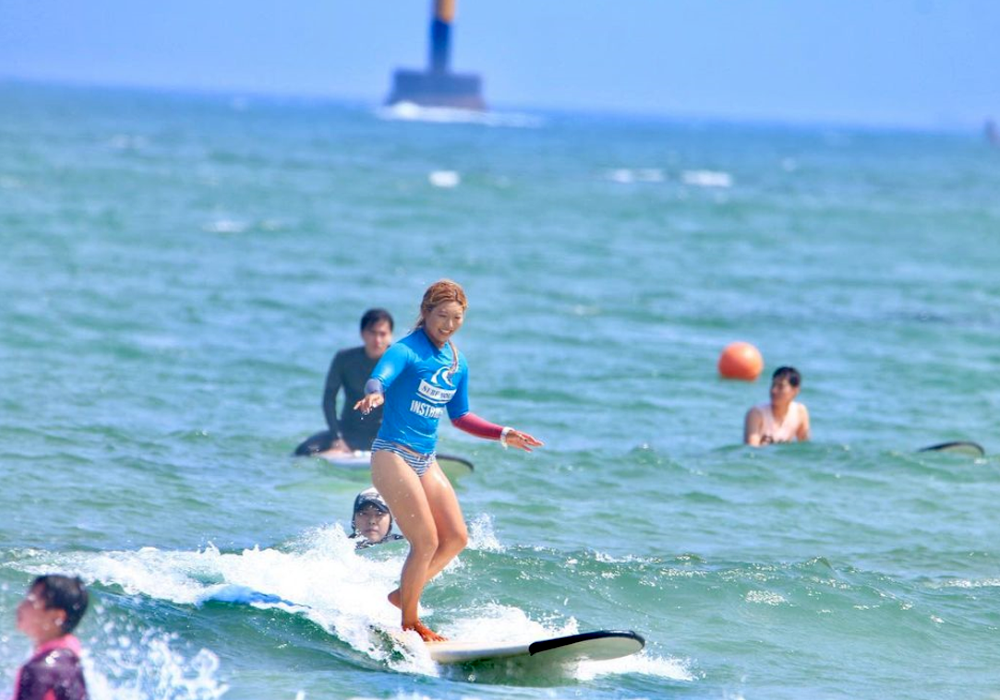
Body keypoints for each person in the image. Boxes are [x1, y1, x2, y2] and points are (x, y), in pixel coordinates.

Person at [354, 279, 543, 641]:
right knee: (425, 542)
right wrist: (375, 396)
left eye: (456, 318)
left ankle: (402, 595)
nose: (449, 324)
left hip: (426, 458)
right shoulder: (406, 350)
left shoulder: (457, 362)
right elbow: (378, 378)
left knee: (455, 538)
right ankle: (410, 622)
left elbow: (461, 417)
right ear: (425, 312)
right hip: (392, 453)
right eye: (441, 316)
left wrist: (503, 433)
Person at [295, 309, 394, 456]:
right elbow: (329, 400)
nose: (377, 340)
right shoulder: (345, 359)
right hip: (348, 431)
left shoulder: (397, 364)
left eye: (382, 334)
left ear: (390, 336)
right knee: (303, 451)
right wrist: (337, 438)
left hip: (382, 435)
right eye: (372, 333)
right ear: (362, 334)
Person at [13, 574, 89, 700]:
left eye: (31, 602)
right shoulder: (69, 655)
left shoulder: (38, 671)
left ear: (57, 617)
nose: (20, 607)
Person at [744, 366, 811, 446]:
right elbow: (752, 450)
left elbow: (805, 447)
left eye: (780, 386)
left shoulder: (800, 412)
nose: (774, 390)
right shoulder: (756, 414)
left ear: (795, 391)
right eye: (773, 385)